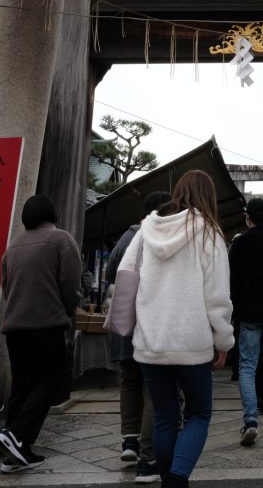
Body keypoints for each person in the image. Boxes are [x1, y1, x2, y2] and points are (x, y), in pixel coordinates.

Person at [117, 171, 233, 488]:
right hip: (192, 343)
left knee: (165, 416)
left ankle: (169, 478)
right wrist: (223, 339)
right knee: (199, 414)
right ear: (209, 197)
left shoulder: (146, 230)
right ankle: (177, 479)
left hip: (151, 341)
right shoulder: (210, 233)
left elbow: (125, 276)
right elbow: (218, 297)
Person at [0, 195, 81, 474]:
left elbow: (7, 286)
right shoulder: (61, 240)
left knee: (23, 384)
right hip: (47, 323)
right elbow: (69, 283)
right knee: (49, 379)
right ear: (52, 214)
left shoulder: (14, 246)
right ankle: (17, 435)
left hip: (16, 326)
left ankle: (15, 452)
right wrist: (69, 312)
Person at [104, 190, 171, 484]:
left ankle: (129, 443)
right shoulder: (166, 240)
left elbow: (109, 275)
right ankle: (148, 457)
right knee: (153, 389)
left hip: (125, 324)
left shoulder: (127, 237)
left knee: (130, 383)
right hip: (151, 325)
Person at [229, 197, 263, 445]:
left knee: (247, 367)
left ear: (247, 217)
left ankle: (250, 420)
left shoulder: (239, 245)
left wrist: (236, 311)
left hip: (248, 315)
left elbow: (232, 284)